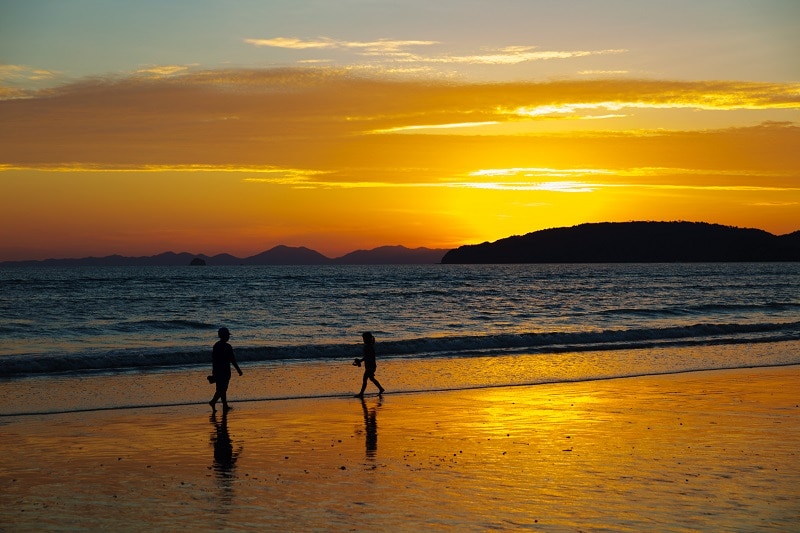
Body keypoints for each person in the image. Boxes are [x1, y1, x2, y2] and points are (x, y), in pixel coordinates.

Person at [209, 327, 243, 412]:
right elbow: (232, 359)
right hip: (225, 370)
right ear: (225, 336)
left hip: (218, 369)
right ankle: (213, 401)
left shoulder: (216, 345)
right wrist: (238, 370)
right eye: (228, 335)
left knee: (221, 388)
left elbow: (214, 360)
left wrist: (214, 371)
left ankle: (224, 405)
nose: (228, 337)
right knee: (223, 389)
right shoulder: (228, 347)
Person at [354, 331, 385, 398]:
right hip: (370, 366)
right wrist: (360, 361)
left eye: (364, 339)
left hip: (370, 366)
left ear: (368, 339)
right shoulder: (369, 346)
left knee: (365, 379)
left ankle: (361, 393)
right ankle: (381, 389)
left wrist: (360, 361)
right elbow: (366, 357)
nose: (363, 340)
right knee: (371, 378)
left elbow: (368, 357)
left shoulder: (369, 347)